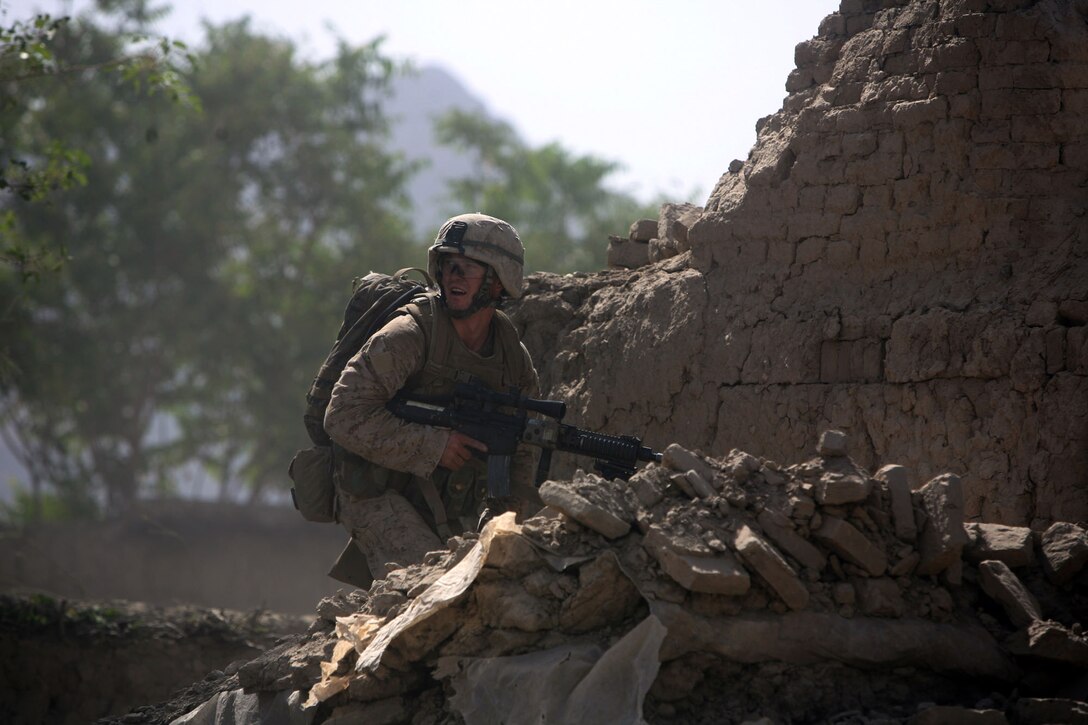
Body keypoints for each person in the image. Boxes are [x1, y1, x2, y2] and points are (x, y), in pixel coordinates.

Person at [323, 213, 541, 583]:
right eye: (448, 266)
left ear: (498, 281)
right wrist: (434, 445)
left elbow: (523, 446)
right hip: (376, 490)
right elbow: (342, 414)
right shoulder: (409, 334)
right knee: (436, 584)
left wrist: (511, 521)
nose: (453, 276)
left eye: (468, 269)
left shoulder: (511, 357)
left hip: (449, 496)